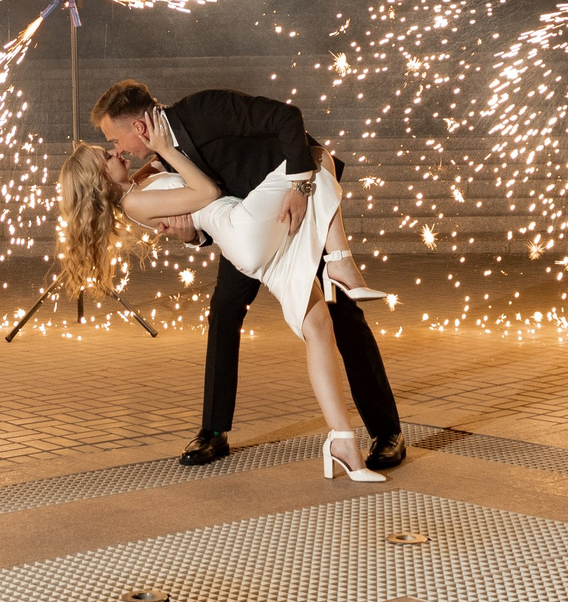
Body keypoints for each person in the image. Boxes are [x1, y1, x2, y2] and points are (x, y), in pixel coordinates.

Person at [89, 80, 404, 471]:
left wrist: (299, 187)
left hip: (293, 213)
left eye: (114, 139)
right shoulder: (161, 157)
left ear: (137, 127)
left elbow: (287, 118)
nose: (119, 150)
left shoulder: (204, 107)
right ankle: (214, 431)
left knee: (342, 315)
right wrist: (193, 235)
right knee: (224, 309)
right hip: (248, 228)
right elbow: (207, 209)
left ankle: (387, 433)